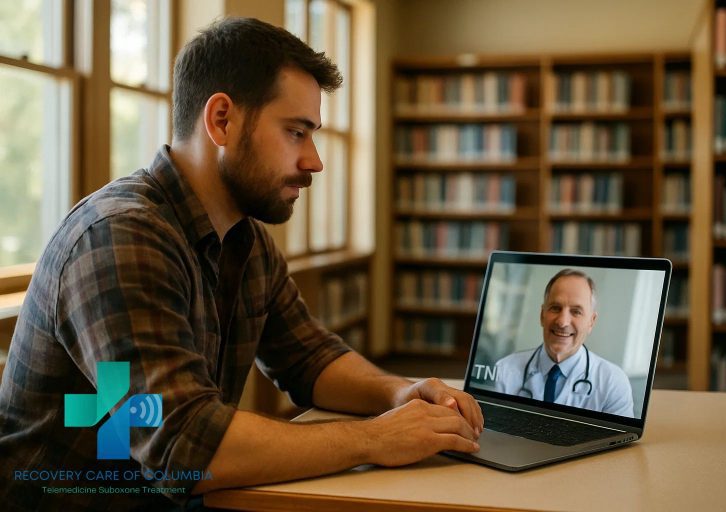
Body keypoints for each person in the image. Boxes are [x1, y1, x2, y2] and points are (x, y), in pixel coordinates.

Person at [0, 17, 482, 510]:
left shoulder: (244, 238)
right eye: (296, 132)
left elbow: (309, 359)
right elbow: (184, 444)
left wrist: (399, 393)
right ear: (222, 120)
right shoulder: (120, 236)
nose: (315, 160)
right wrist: (375, 439)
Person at [493, 269, 634, 417]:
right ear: (542, 315)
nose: (562, 322)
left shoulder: (613, 382)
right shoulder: (503, 370)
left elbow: (621, 440)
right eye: (555, 308)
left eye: (576, 311)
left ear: (591, 322)